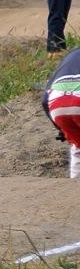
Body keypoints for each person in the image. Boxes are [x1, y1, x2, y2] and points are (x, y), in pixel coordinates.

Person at [43, 47, 80, 177]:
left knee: (78, 146)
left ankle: (74, 186)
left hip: (56, 101)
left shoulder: (70, 55)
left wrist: (61, 129)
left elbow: (44, 101)